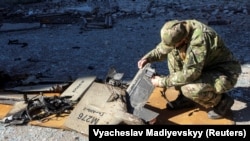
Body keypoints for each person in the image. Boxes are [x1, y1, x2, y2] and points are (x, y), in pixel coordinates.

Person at [137, 19, 242, 119]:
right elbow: (165, 47)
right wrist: (148, 58)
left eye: (175, 44)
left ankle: (221, 101)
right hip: (203, 67)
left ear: (183, 39)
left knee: (188, 88)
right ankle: (186, 99)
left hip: (223, 72)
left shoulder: (199, 41)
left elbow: (191, 74)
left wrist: (162, 81)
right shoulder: (179, 30)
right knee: (173, 53)